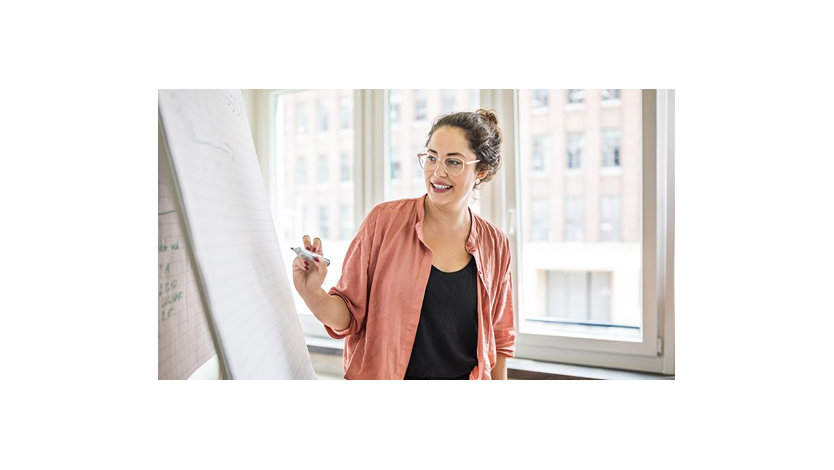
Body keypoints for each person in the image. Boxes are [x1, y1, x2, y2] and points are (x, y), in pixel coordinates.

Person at [291, 109, 515, 380]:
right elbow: (348, 317)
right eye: (431, 158)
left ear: (481, 170)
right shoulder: (383, 223)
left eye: (453, 162)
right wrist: (312, 293)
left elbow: (500, 340)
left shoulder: (495, 243)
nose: (437, 172)